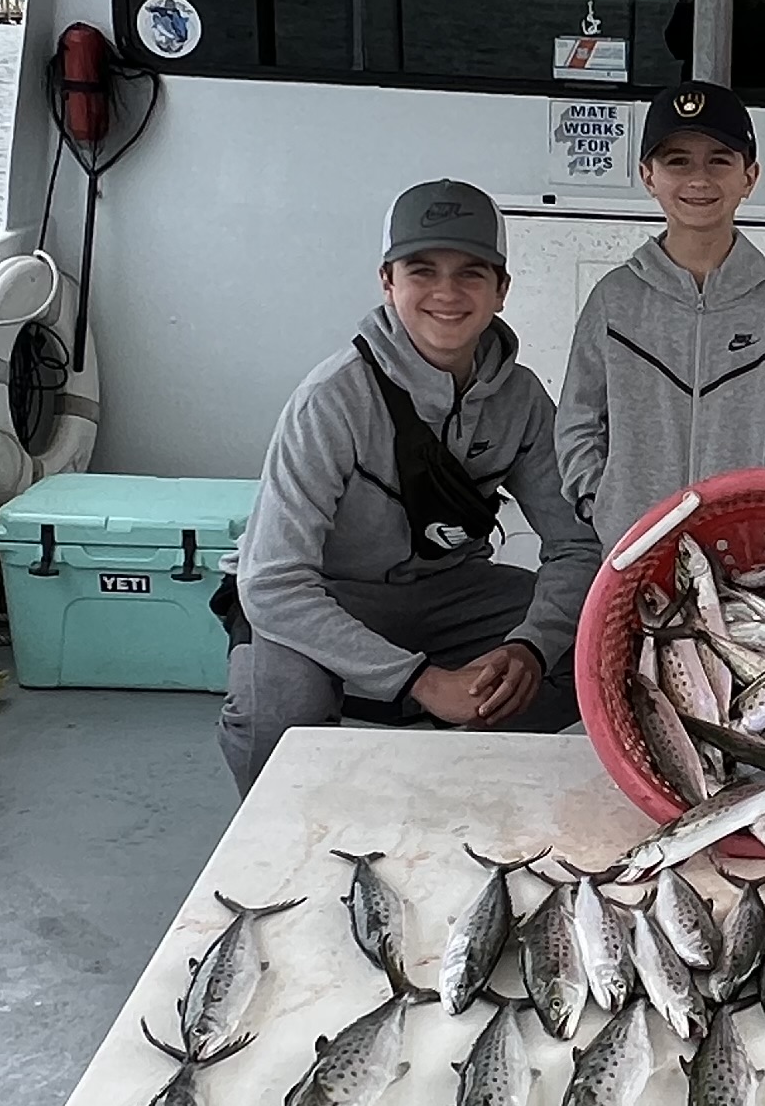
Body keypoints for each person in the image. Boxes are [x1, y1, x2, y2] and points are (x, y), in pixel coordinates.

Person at [217, 180, 596, 796]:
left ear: (501, 290)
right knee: (279, 708)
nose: (447, 293)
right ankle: (283, 830)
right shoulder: (331, 398)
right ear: (388, 282)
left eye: (471, 273)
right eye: (422, 271)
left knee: (601, 648)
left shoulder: (524, 400)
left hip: (451, 593)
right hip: (325, 595)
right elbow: (272, 583)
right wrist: (421, 680)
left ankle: (450, 789)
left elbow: (577, 546)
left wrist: (530, 647)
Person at [558, 80, 765, 545]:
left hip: (741, 553)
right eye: (677, 161)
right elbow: (578, 420)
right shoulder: (615, 300)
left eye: (719, 160)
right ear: (648, 176)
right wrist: (601, 504)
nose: (699, 179)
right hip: (633, 549)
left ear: (749, 177)